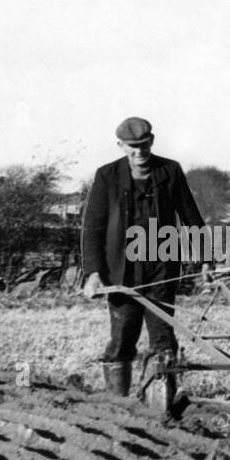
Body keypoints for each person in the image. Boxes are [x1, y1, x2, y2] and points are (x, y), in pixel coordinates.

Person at [81, 117, 205, 397]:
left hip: (162, 269)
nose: (140, 151)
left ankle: (161, 406)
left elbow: (191, 217)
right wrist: (93, 273)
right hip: (121, 272)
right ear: (121, 146)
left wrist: (208, 257)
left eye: (144, 144)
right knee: (123, 337)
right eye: (133, 146)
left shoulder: (169, 171)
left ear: (152, 141)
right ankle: (120, 405)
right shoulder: (107, 176)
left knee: (163, 339)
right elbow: (93, 228)